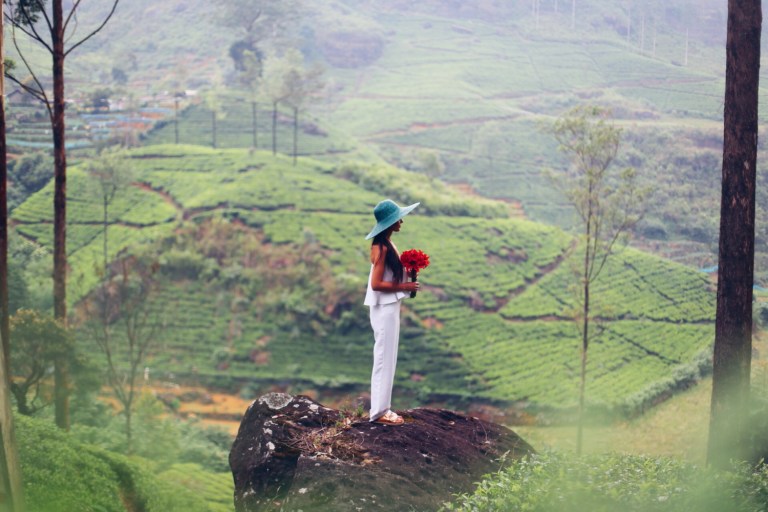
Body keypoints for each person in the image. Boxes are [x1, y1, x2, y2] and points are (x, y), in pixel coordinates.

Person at [364, 199, 421, 425]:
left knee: (388, 357)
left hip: (389, 307)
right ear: (389, 222)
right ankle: (379, 412)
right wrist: (403, 287)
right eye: (398, 218)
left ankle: (382, 408)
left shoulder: (387, 244)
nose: (402, 221)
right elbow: (377, 283)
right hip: (384, 308)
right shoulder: (383, 249)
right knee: (383, 358)